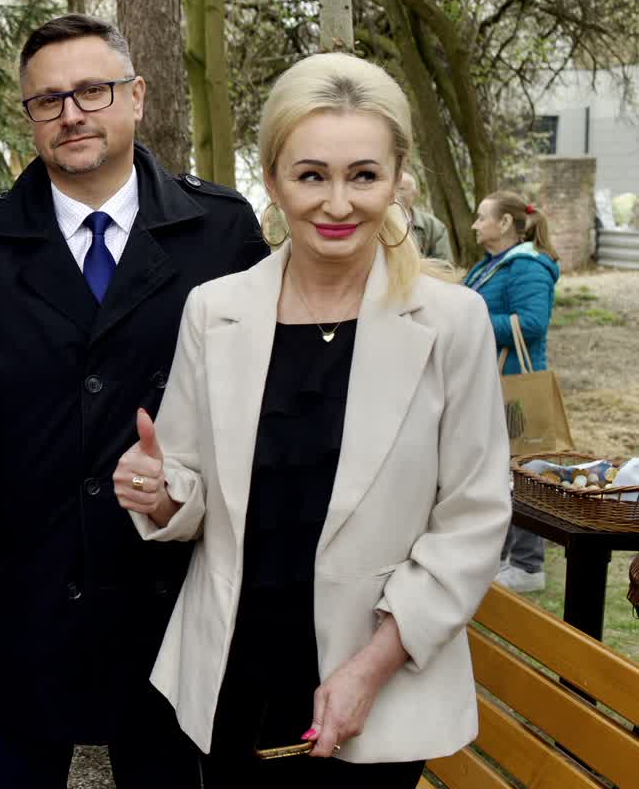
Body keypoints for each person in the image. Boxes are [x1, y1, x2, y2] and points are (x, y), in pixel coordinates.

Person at [0, 14, 267, 788]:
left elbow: (261, 392)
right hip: (22, 596)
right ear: (29, 117)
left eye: (91, 91)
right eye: (47, 100)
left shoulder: (220, 231)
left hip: (168, 587)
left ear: (136, 96)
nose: (70, 114)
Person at [112, 53, 510, 787]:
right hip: (231, 675)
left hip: (380, 681)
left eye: (363, 175)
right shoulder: (215, 311)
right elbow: (189, 489)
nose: (337, 203)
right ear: (271, 180)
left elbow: (473, 517)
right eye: (311, 176)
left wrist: (372, 665)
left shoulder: (452, 323)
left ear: (397, 177)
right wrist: (159, 494)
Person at [466, 189, 561, 593]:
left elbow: (533, 323)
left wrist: (471, 319)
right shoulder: (493, 265)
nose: (475, 224)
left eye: (482, 217)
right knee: (497, 474)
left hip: (518, 387)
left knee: (522, 473)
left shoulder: (527, 266)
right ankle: (504, 558)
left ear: (505, 223)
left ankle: (527, 566)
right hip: (494, 383)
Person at [397, 170, 452, 263]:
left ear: (415, 194)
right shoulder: (378, 222)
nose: (395, 194)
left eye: (401, 189)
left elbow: (444, 265)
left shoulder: (434, 226)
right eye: (393, 189)